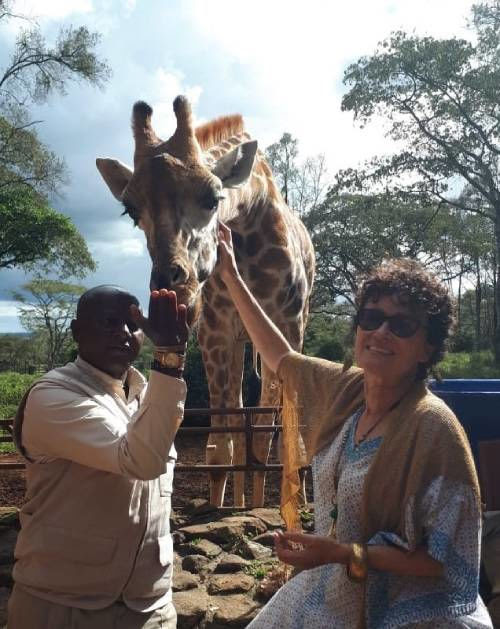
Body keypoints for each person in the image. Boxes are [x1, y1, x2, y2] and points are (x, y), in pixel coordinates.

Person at [216, 221, 493, 628]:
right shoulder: (347, 392)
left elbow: (447, 559)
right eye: (371, 317)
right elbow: (280, 358)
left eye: (401, 325)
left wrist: (344, 554)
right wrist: (231, 275)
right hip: (335, 591)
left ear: (427, 347)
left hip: (412, 612)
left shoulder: (434, 428)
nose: (381, 331)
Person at [7, 285, 189, 629]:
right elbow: (141, 460)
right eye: (109, 322)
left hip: (152, 607)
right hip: (63, 607)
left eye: (133, 325)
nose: (123, 333)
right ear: (77, 332)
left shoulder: (150, 395)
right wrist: (170, 357)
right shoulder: (53, 395)